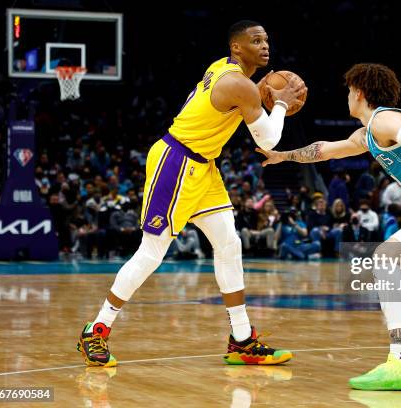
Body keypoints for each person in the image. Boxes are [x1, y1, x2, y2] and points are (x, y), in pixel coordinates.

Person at [77, 20, 306, 367]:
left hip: (204, 166)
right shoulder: (237, 83)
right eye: (255, 40)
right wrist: (282, 104)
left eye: (266, 40)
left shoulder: (226, 71)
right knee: (151, 254)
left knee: (230, 245)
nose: (264, 46)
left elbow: (244, 105)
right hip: (176, 162)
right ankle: (96, 330)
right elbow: (268, 140)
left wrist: (263, 95)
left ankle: (241, 339)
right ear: (237, 48)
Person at [257, 63, 401, 390]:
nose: (347, 96)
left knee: (384, 258)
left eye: (349, 90)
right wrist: (283, 157)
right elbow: (325, 150)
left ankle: (398, 361)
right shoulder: (368, 133)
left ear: (360, 92)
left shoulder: (384, 118)